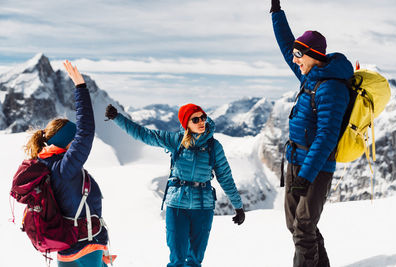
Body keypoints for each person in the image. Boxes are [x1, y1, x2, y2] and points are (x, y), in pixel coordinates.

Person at [105, 102, 245, 267]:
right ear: (186, 124)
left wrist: (238, 206)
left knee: (194, 260)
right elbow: (143, 134)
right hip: (177, 206)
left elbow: (225, 177)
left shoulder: (214, 147)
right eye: (195, 120)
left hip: (203, 207)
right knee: (177, 260)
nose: (201, 122)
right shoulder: (175, 141)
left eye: (203, 117)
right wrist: (117, 118)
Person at [269, 1, 354, 266]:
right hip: (295, 161)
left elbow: (327, 136)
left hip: (316, 167)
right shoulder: (311, 77)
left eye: (299, 55)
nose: (294, 60)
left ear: (312, 54)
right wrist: (276, 13)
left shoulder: (332, 88)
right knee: (295, 225)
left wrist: (306, 175)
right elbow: (286, 46)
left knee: (304, 228)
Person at [24, 60, 113, 267]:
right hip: (86, 245)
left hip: (65, 247)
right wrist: (80, 88)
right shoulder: (65, 167)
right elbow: (86, 131)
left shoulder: (42, 164)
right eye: (73, 141)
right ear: (66, 142)